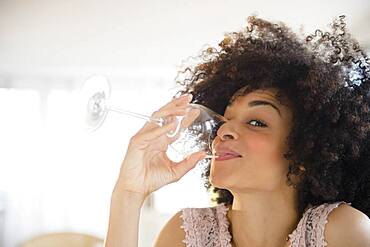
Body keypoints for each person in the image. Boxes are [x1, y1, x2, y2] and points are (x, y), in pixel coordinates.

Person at [104, 15, 370, 247]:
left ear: (305, 153)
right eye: (224, 120)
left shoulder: (343, 230)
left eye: (256, 122)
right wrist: (128, 194)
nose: (224, 131)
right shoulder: (184, 234)